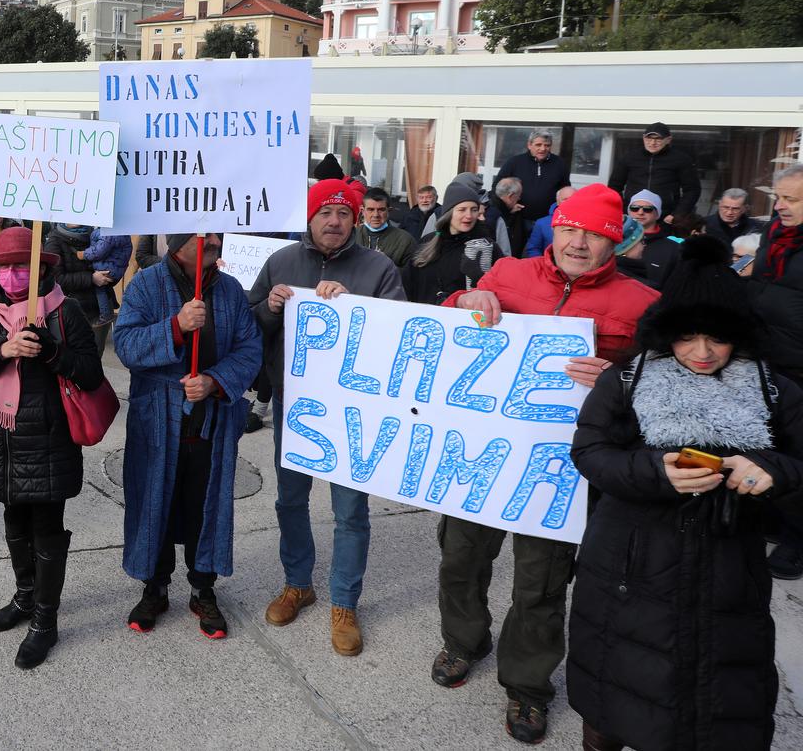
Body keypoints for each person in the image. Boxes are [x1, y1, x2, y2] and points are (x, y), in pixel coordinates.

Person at [434, 183, 659, 744]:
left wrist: (619, 382)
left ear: (618, 242)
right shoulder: (507, 273)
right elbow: (443, 331)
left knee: (541, 582)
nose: (578, 243)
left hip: (562, 471)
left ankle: (528, 685)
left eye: (596, 234)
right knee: (460, 557)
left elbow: (663, 385)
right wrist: (461, 302)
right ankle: (464, 641)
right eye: (570, 228)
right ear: (554, 228)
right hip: (481, 455)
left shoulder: (644, 304)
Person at [568, 235, 803, 751]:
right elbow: (589, 452)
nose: (702, 352)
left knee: (718, 700)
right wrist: (656, 472)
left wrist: (774, 472)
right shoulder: (628, 380)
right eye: (688, 336)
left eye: (717, 338)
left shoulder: (775, 390)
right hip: (629, 568)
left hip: (729, 572)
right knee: (617, 690)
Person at [249, 179, 406, 657]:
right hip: (295, 406)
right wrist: (271, 308)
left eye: (344, 214)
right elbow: (249, 322)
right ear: (310, 218)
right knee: (290, 501)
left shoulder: (378, 266)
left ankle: (344, 602)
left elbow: (398, 329)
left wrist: (357, 307)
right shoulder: (280, 262)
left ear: (355, 220)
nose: (335, 222)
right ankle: (299, 583)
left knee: (350, 512)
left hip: (352, 413)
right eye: (326, 213)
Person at [0, 225, 104, 669]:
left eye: (22, 266)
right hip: (0, 436)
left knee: (46, 525)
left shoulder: (65, 311)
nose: (13, 275)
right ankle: (24, 597)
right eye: (6, 267)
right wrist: (2, 350)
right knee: (13, 518)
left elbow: (91, 374)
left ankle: (45, 619)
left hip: (48, 438)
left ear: (40, 267)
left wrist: (50, 353)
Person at [115, 232, 259, 640]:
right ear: (179, 242)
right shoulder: (145, 283)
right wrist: (176, 327)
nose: (214, 240)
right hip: (158, 422)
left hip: (210, 424)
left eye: (217, 233)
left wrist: (215, 380)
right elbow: (125, 345)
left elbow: (250, 348)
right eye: (205, 234)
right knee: (153, 503)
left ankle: (203, 588)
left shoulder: (230, 289)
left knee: (205, 506)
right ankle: (155, 587)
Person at [751, 163, 803, 579]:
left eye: (791, 199)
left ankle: (798, 539)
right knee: (774, 443)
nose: (780, 206)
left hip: (801, 362)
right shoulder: (776, 234)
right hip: (768, 357)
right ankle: (773, 512)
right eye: (778, 197)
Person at [404, 181, 499, 305]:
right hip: (426, 318)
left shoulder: (487, 247)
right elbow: (407, 284)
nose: (469, 215)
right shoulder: (427, 242)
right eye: (462, 210)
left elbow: (500, 289)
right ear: (449, 212)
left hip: (466, 321)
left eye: (474, 210)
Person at [607, 121, 701, 226]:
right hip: (633, 215)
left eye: (658, 139)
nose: (652, 143)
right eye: (649, 138)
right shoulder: (629, 157)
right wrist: (623, 210)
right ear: (643, 138)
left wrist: (677, 214)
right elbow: (614, 187)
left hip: (665, 218)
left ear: (668, 140)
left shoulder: (681, 160)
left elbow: (692, 190)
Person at [45, 220, 114, 353]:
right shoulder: (54, 241)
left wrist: (111, 274)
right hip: (72, 312)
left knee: (95, 355)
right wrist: (91, 279)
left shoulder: (96, 236)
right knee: (76, 357)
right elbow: (56, 279)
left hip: (98, 309)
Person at [495, 130, 572, 221]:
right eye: (538, 145)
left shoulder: (560, 164)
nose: (543, 149)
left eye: (547, 145)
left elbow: (565, 190)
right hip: (519, 218)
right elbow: (497, 188)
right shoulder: (514, 162)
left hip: (548, 220)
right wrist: (507, 207)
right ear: (529, 145)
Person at [626, 189, 682, 290]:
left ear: (657, 214)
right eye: (635, 208)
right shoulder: (614, 241)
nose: (640, 212)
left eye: (647, 209)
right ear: (629, 211)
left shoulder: (674, 249)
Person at [356, 186, 417, 270]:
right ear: (362, 211)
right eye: (370, 209)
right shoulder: (350, 236)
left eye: (381, 210)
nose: (376, 215)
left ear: (389, 211)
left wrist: (387, 265)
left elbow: (413, 276)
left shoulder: (406, 241)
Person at [82, 227, 132, 323]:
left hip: (107, 268)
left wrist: (84, 254)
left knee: (100, 288)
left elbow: (99, 251)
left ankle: (105, 315)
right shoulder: (123, 231)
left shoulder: (108, 233)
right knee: (106, 287)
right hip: (115, 267)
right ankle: (112, 305)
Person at [521, 185, 576, 259]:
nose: (569, 202)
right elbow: (533, 249)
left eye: (573, 199)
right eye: (565, 199)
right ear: (558, 202)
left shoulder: (587, 222)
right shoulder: (542, 223)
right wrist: (543, 265)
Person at [488, 177, 527, 259]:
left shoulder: (493, 207)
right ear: (510, 196)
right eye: (518, 196)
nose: (519, 199)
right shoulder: (496, 216)